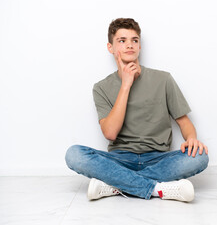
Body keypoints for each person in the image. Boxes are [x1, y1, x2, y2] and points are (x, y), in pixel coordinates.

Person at [65, 18, 209, 202]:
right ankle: (157, 189)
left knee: (201, 156)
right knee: (74, 154)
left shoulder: (163, 79)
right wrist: (126, 85)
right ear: (110, 47)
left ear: (140, 46)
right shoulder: (101, 87)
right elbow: (110, 133)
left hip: (158, 159)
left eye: (134, 40)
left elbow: (184, 122)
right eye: (122, 41)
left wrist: (192, 139)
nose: (130, 45)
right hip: (118, 160)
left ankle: (115, 185)